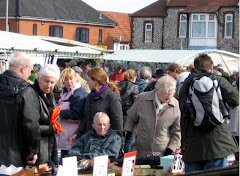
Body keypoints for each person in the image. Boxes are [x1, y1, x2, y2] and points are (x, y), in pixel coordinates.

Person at [179, 54, 239, 173]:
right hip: (217, 143)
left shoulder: (186, 85)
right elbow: (235, 99)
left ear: (194, 67)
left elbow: (183, 110)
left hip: (192, 144)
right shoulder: (217, 80)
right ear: (211, 67)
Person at [0, 53, 41, 166]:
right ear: (23, 68)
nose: (30, 74)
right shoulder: (26, 90)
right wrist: (33, 150)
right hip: (14, 153)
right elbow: (31, 124)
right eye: (30, 71)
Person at [124, 75, 181, 157]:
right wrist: (127, 135)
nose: (169, 97)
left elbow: (177, 132)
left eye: (171, 94)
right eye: (166, 94)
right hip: (141, 151)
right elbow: (131, 119)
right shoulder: (142, 99)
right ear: (157, 90)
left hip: (163, 154)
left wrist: (171, 149)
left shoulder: (175, 104)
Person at [71, 67, 123, 143]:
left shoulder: (112, 98)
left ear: (96, 81)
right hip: (88, 141)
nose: (87, 82)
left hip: (104, 143)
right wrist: (78, 133)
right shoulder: (89, 97)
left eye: (88, 80)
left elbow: (118, 124)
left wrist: (116, 144)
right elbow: (85, 117)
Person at [56, 68, 88, 162]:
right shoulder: (65, 92)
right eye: (66, 79)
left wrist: (58, 113)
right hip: (64, 132)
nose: (69, 82)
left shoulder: (79, 94)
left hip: (73, 133)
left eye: (71, 79)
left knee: (69, 160)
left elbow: (76, 114)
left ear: (76, 78)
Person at [33, 64, 60, 165]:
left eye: (52, 82)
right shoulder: (32, 94)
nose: (49, 85)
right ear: (38, 78)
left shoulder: (50, 95)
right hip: (36, 146)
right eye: (46, 81)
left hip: (49, 144)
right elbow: (30, 125)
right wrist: (50, 129)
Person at [117, 69, 139, 153]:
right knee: (129, 139)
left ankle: (118, 155)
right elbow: (136, 101)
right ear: (133, 77)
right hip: (129, 115)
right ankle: (126, 157)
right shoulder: (134, 86)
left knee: (118, 137)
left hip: (118, 114)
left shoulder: (118, 85)